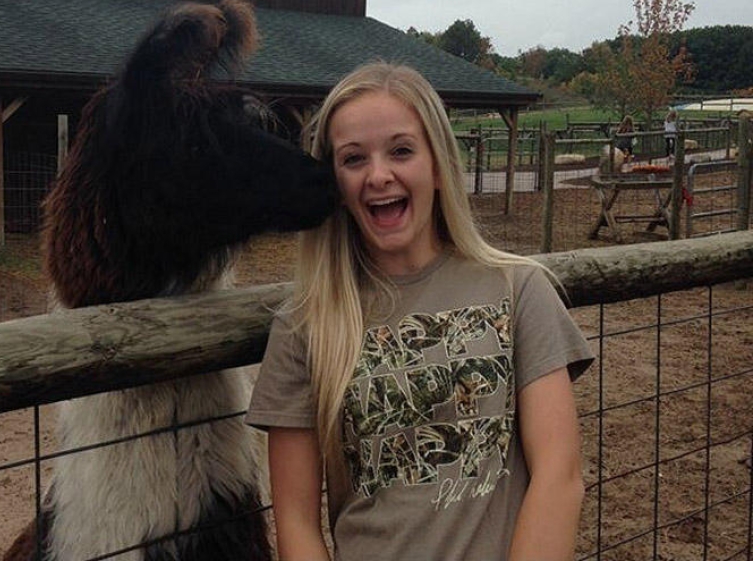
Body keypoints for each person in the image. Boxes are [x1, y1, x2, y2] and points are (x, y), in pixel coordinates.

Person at [247, 63, 593, 561]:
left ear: (437, 164)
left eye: (401, 150)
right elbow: (297, 522)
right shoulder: (305, 327)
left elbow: (559, 475)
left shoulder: (518, 290)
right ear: (336, 185)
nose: (379, 175)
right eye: (353, 159)